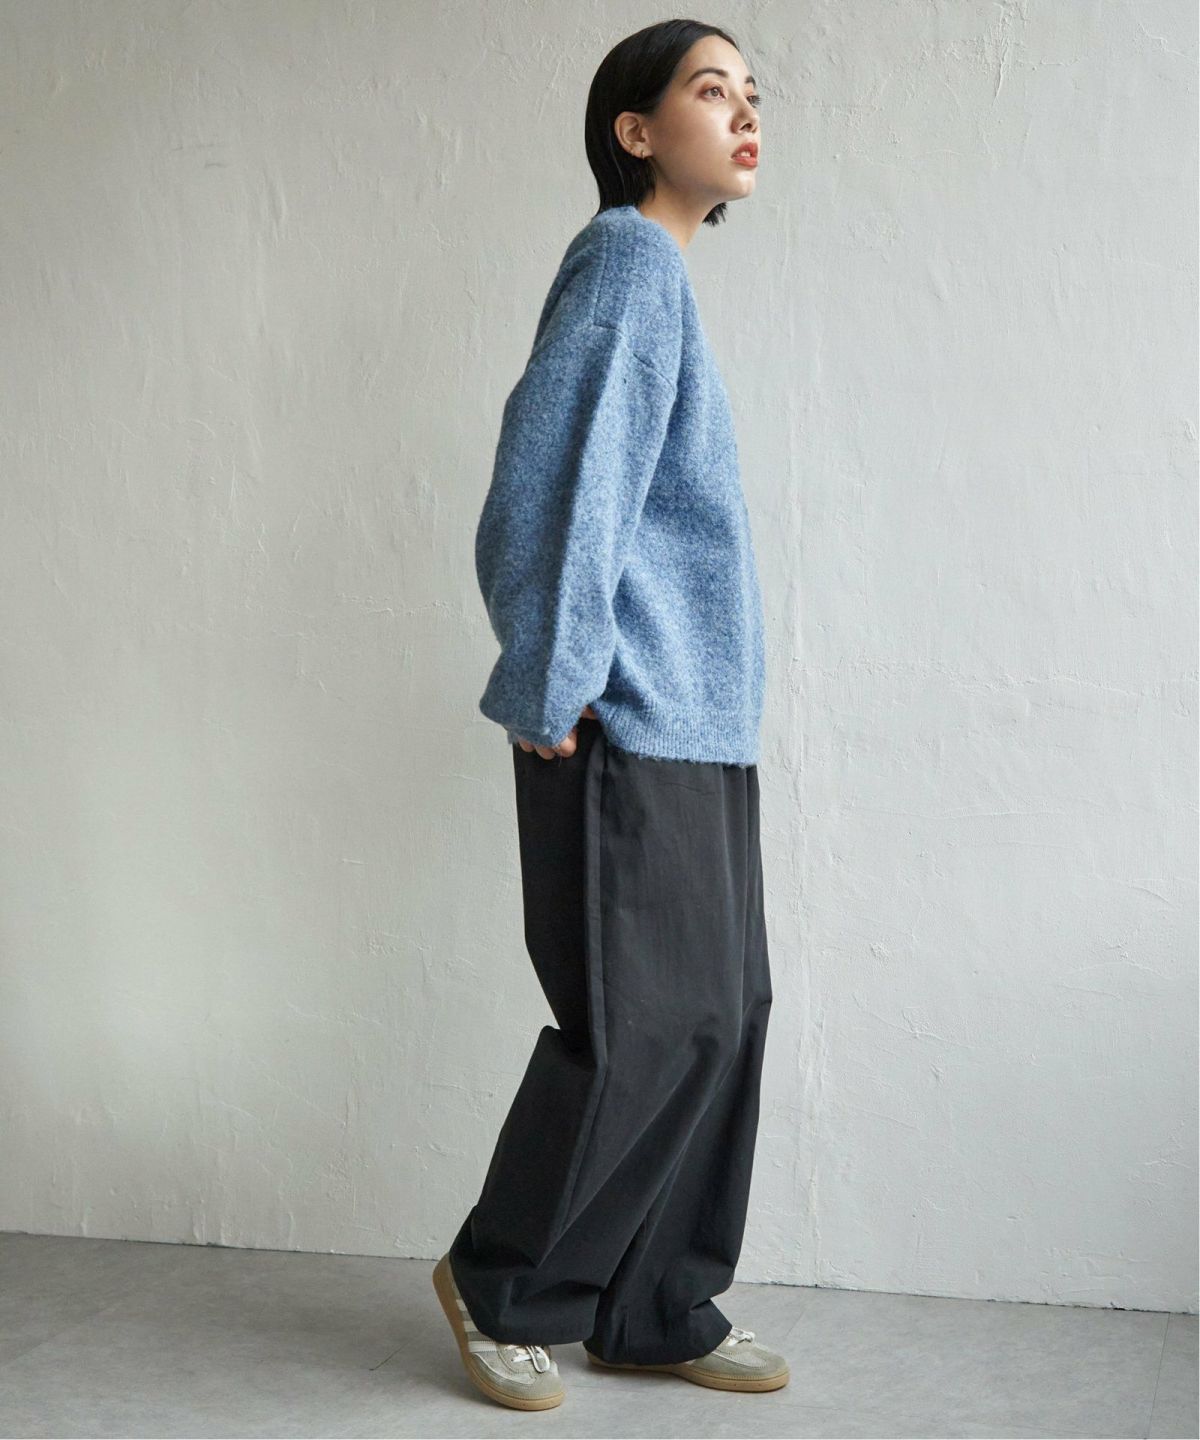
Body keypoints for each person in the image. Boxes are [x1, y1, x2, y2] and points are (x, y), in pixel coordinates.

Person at [432, 18, 784, 1412]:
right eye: (711, 90)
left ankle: (656, 1304)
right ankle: (502, 1283)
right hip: (619, 713)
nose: (745, 114)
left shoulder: (665, 281)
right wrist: (552, 672)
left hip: (699, 720)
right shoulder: (629, 262)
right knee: (643, 1021)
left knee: (721, 1014)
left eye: (753, 94)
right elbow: (564, 480)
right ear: (635, 131)